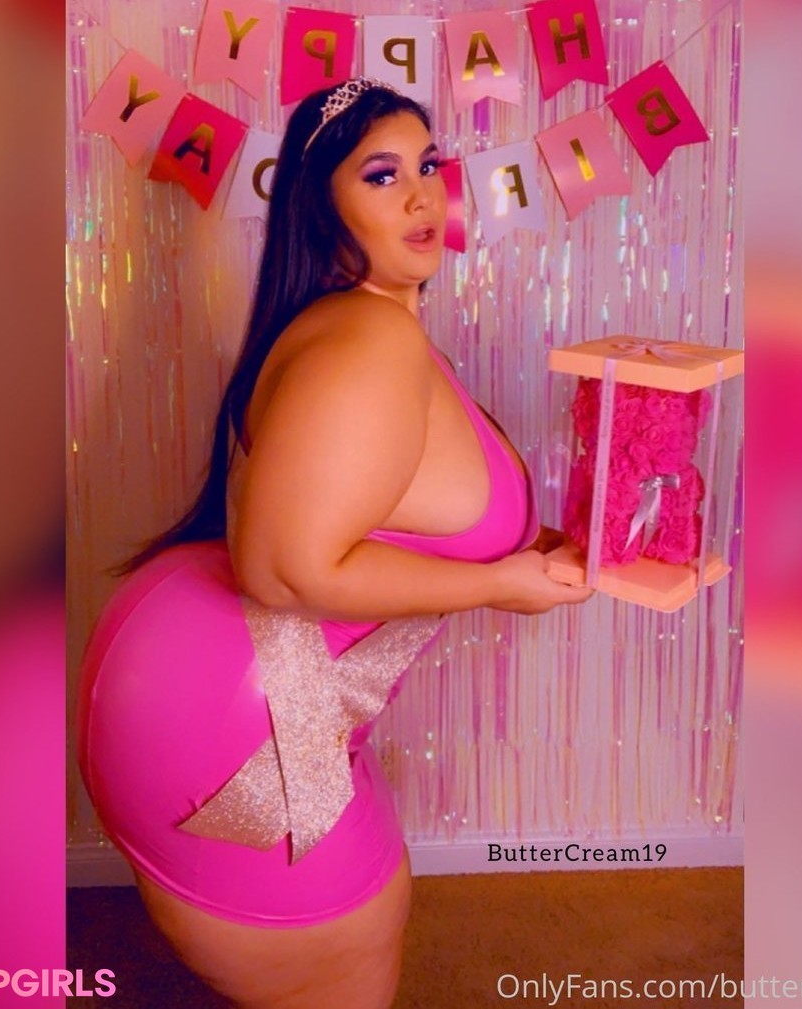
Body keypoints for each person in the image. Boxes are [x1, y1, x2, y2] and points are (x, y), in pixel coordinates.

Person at [76, 78, 593, 1009]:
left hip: (208, 679)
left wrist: (533, 549)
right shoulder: (368, 340)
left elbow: (388, 511)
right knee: (347, 971)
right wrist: (497, 584)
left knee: (360, 940)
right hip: (245, 725)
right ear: (322, 205)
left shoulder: (361, 324)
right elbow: (290, 569)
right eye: (382, 175)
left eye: (428, 165)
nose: (422, 194)